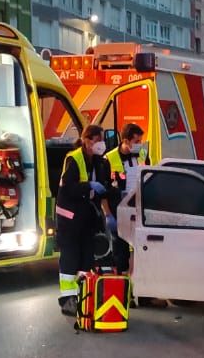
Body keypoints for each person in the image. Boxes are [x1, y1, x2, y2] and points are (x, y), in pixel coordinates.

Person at [55, 124, 113, 315]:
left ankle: (82, 296)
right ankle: (67, 300)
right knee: (70, 258)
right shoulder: (74, 159)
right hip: (70, 219)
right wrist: (88, 185)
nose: (101, 144)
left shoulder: (99, 161)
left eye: (102, 140)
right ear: (86, 141)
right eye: (97, 140)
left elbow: (103, 188)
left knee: (86, 259)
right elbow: (67, 189)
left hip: (85, 218)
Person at [104, 123, 148, 272]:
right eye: (136, 142)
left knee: (142, 245)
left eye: (140, 141)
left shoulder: (142, 154)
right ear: (125, 140)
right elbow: (104, 189)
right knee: (120, 248)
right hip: (120, 207)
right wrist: (108, 214)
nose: (139, 145)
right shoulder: (109, 159)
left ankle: (140, 280)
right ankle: (121, 279)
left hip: (139, 206)